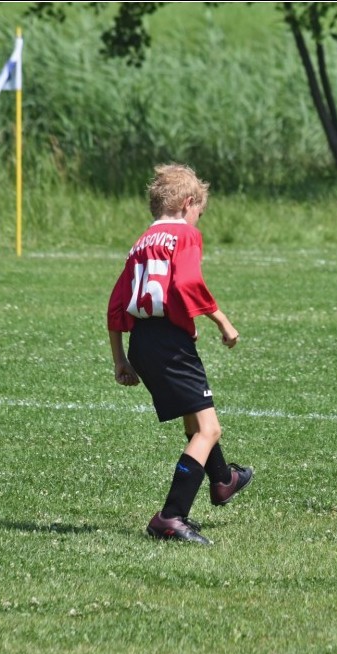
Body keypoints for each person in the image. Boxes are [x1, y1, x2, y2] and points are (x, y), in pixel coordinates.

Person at [107, 163, 253, 545]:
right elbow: (188, 282)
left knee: (194, 420)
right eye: (199, 213)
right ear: (189, 203)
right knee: (209, 429)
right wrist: (221, 320)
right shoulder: (185, 235)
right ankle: (170, 517)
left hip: (142, 343)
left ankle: (223, 480)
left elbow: (117, 303)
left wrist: (120, 358)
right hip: (170, 343)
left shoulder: (140, 243)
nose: (197, 220)